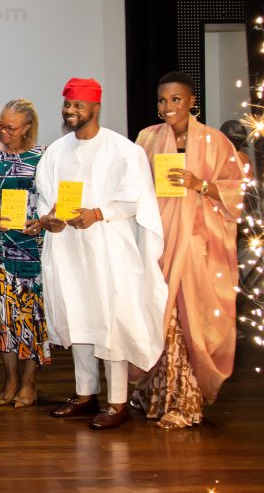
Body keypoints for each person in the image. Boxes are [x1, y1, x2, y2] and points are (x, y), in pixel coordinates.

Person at [35, 77, 167, 430]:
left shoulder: (123, 150)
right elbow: (44, 195)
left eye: (78, 105)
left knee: (112, 321)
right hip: (69, 248)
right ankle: (85, 393)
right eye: (67, 104)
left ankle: (117, 402)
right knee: (79, 317)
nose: (70, 111)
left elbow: (135, 199)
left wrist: (97, 213)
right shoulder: (56, 151)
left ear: (95, 107)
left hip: (109, 249)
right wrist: (49, 218)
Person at [131, 71, 245, 429]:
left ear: (192, 101)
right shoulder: (147, 138)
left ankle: (184, 403)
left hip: (197, 247)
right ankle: (154, 395)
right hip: (159, 244)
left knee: (188, 322)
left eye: (176, 99)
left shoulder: (215, 142)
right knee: (158, 318)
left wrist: (201, 184)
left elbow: (238, 191)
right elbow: (133, 187)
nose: (168, 106)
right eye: (163, 100)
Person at [0, 99, 49, 408]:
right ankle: (10, 379)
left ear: (27, 128)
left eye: (10, 128)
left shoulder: (43, 157)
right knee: (4, 317)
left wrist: (43, 221)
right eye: (0, 125)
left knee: (31, 316)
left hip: (31, 248)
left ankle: (29, 381)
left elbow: (54, 198)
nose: (4, 132)